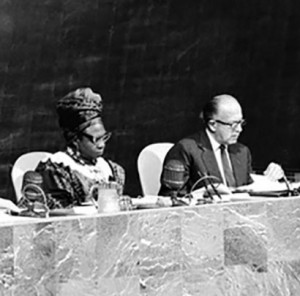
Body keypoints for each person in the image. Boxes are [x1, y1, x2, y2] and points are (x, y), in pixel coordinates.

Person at [18, 87, 125, 209]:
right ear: (75, 139)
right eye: (95, 139)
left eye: (103, 137)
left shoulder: (110, 169)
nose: (101, 144)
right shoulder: (56, 170)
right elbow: (59, 214)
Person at [159, 94, 284, 197]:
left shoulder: (242, 152)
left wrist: (270, 178)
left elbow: (248, 189)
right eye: (233, 124)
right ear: (213, 124)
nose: (239, 129)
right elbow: (170, 199)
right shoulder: (186, 149)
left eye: (241, 122)